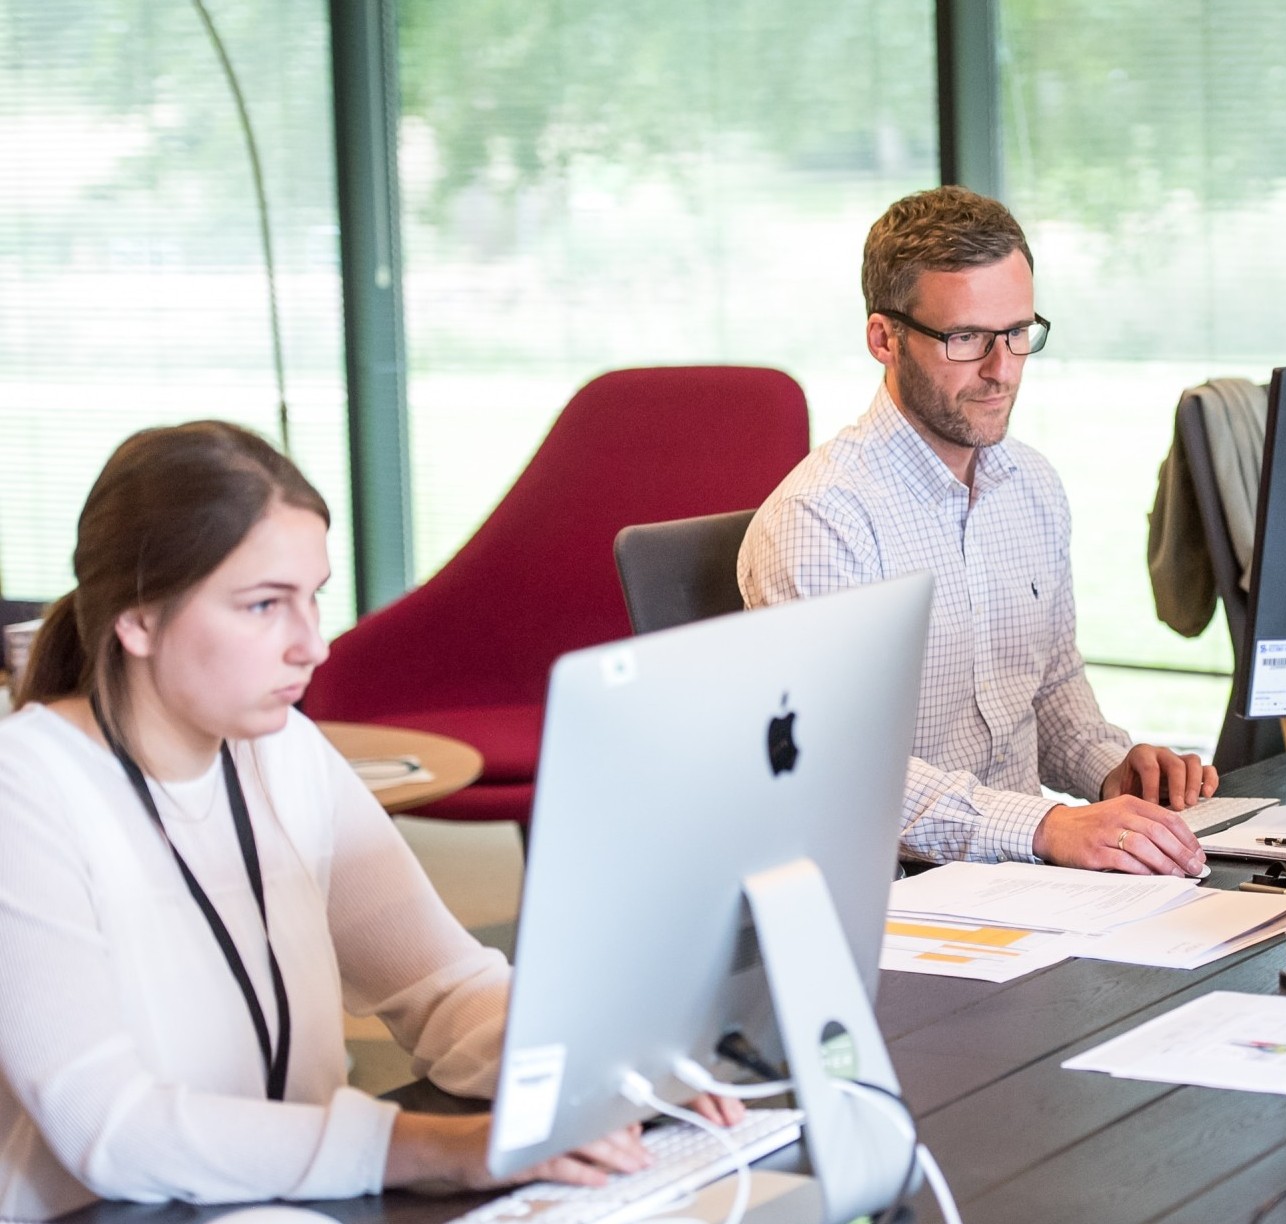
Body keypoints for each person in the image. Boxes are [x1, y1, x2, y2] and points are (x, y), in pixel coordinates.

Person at [0, 422, 740, 1220]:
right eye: (263, 606)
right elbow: (114, 1129)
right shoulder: (27, 793)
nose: (311, 646)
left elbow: (444, 986)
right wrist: (434, 1149)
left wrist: (606, 1074)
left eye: (313, 597)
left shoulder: (284, 752)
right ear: (137, 620)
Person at [738, 186, 1217, 877]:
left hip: (1026, 882)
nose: (1002, 370)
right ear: (884, 337)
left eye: (1017, 333)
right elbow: (840, 769)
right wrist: (1048, 825)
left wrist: (1115, 773)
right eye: (965, 339)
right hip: (900, 900)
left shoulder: (1031, 485)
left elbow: (1048, 687)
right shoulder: (822, 520)